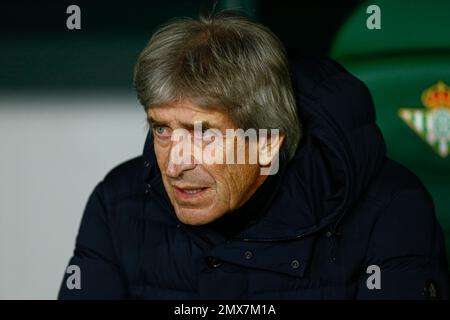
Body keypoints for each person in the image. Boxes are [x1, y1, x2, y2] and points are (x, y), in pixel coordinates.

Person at [58, 12, 449, 299]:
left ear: (266, 143)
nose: (175, 164)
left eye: (202, 133)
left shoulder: (391, 209)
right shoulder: (117, 203)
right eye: (161, 128)